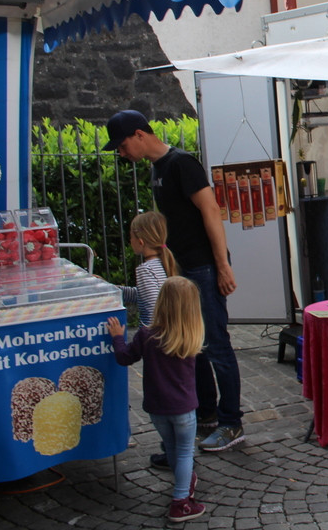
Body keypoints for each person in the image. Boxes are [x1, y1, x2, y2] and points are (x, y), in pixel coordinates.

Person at [103, 109, 244, 454]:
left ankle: (231, 424)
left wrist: (222, 265)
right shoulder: (158, 169)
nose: (121, 154)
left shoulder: (181, 164)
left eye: (121, 146)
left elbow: (211, 210)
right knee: (193, 346)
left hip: (202, 268)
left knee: (216, 345)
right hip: (184, 270)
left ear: (139, 135)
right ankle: (207, 413)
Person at [107, 277, 206, 523]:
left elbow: (123, 358)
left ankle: (183, 483)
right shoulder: (192, 335)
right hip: (184, 409)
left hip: (157, 408)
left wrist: (118, 336)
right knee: (184, 452)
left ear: (161, 303)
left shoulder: (146, 335)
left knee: (172, 449)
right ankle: (181, 501)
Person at [118, 211, 177, 327]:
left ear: (141, 242)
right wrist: (112, 289)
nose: (130, 241)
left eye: (131, 237)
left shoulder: (145, 270)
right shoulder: (164, 263)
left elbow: (152, 309)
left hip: (152, 338)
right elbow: (141, 294)